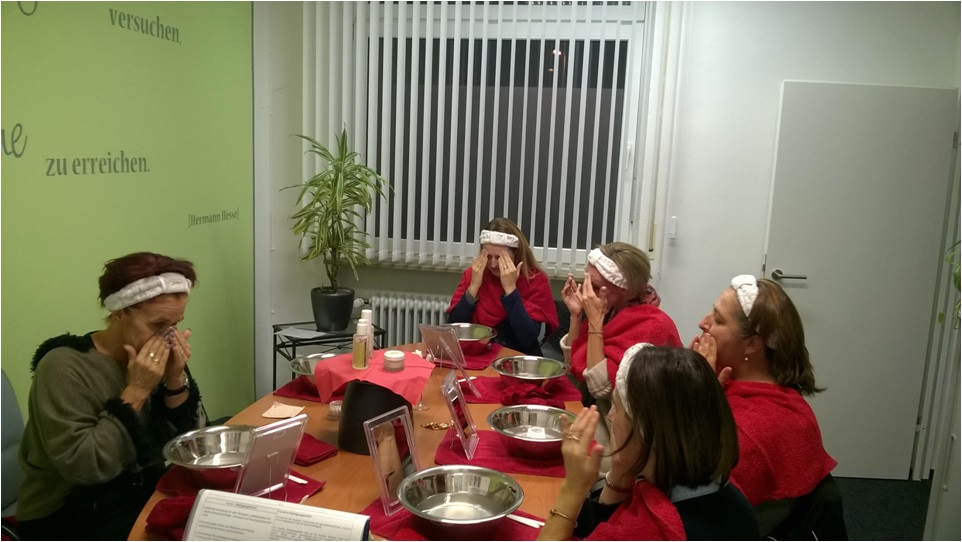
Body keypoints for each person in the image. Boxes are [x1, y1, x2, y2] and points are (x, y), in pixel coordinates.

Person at [17, 252, 206, 540]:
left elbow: (193, 446)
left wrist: (175, 379)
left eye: (176, 323)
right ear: (120, 313)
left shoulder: (160, 354)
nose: (168, 336)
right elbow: (85, 467)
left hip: (140, 491)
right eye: (158, 325)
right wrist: (137, 390)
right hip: (68, 511)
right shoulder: (63, 366)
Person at [538, 345, 759, 541]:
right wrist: (620, 469)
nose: (610, 416)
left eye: (617, 407)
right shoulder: (726, 491)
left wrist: (572, 489)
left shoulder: (651, 528)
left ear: (645, 432)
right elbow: (599, 528)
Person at [691, 274, 837, 534]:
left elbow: (690, 486)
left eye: (718, 319)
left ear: (752, 343)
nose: (703, 322)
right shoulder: (733, 382)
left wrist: (696, 394)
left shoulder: (756, 428)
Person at [559, 242, 681, 415]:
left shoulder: (654, 325)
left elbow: (599, 388)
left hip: (628, 422)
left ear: (626, 290)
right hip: (597, 409)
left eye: (594, 286)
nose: (586, 293)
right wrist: (576, 316)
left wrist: (594, 322)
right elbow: (572, 366)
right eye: (585, 282)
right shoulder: (611, 309)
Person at [447, 218, 559, 356]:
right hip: (478, 354)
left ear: (516, 254)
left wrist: (510, 291)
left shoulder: (535, 280)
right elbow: (453, 329)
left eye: (499, 257)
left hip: (517, 357)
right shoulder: (474, 274)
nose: (493, 264)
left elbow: (528, 339)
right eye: (488, 257)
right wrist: (473, 287)